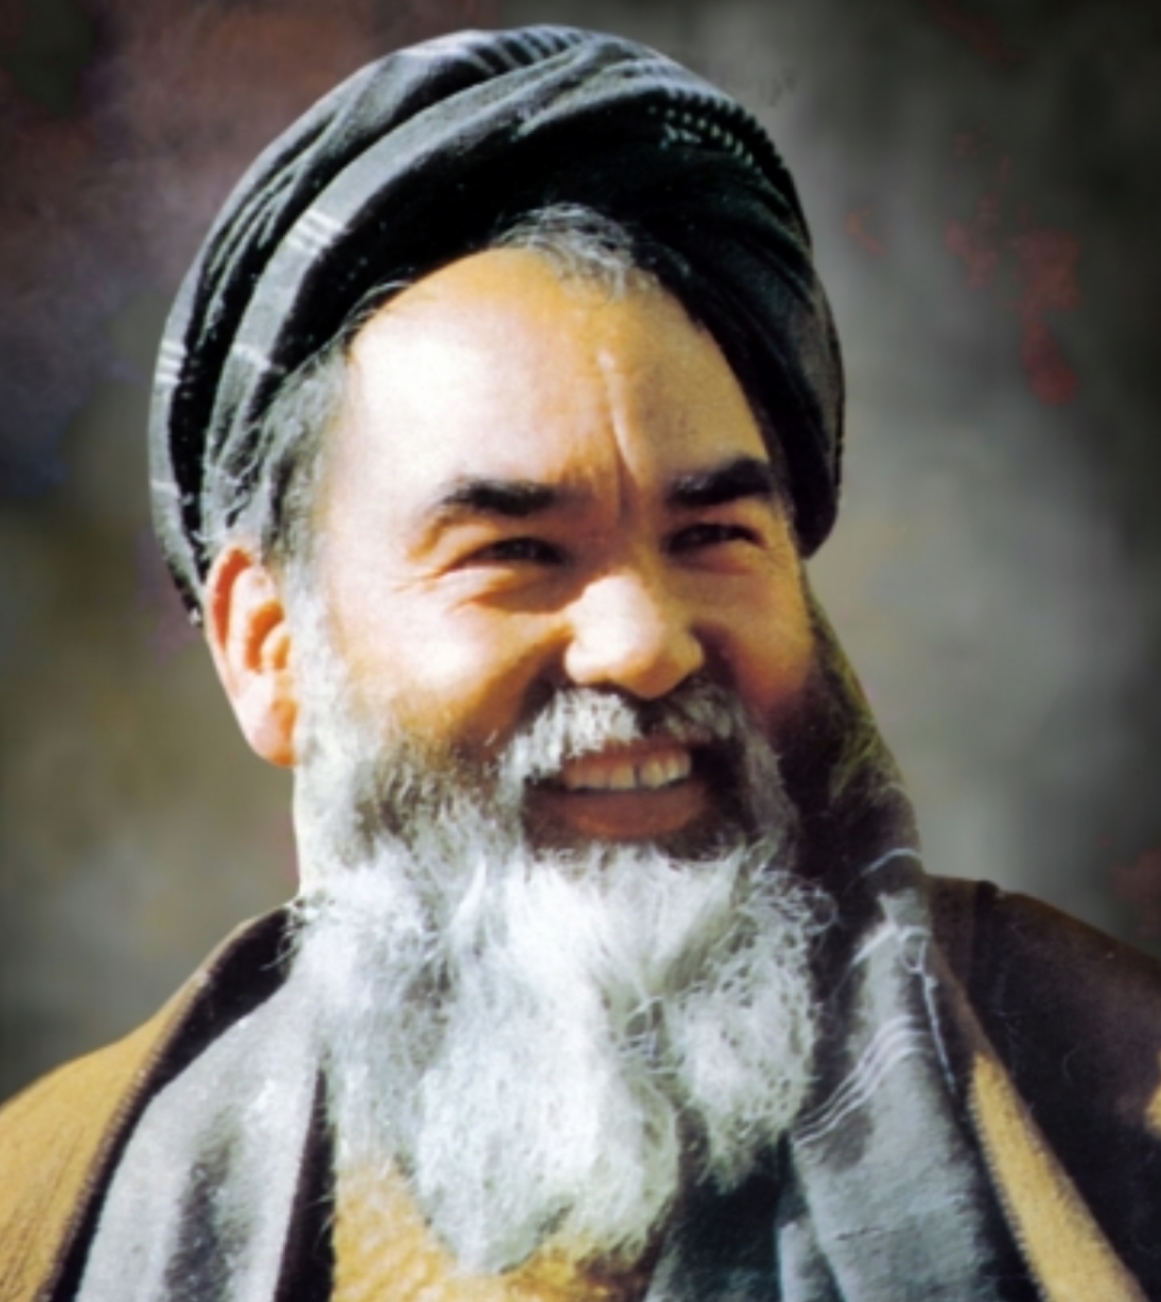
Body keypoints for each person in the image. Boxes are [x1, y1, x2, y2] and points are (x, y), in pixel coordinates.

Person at [3, 25, 1161, 1302]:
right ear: (269, 651)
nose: (645, 643)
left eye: (713, 536)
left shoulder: (1116, 1103)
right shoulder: (47, 1213)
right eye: (517, 551)